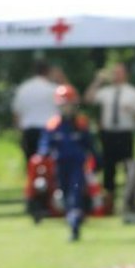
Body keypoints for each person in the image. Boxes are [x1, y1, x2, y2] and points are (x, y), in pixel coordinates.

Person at [39, 84, 99, 241]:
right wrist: (43, 154)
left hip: (77, 166)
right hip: (60, 167)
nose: (66, 108)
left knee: (75, 195)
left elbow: (91, 145)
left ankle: (74, 225)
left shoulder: (81, 124)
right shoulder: (52, 125)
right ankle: (73, 219)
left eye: (69, 104)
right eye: (63, 104)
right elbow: (44, 144)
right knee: (65, 196)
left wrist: (97, 159)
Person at [90, 62, 135, 212]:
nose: (116, 75)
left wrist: (133, 110)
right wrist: (98, 81)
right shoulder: (106, 92)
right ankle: (109, 204)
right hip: (108, 135)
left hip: (125, 134)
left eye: (119, 72)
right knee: (109, 170)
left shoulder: (134, 93)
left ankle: (131, 202)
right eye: (114, 72)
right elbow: (88, 99)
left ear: (126, 74)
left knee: (129, 169)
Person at [12, 61, 58, 160]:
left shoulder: (23, 88)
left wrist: (20, 133)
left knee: (32, 165)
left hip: (29, 131)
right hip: (49, 131)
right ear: (48, 71)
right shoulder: (52, 88)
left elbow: (16, 113)